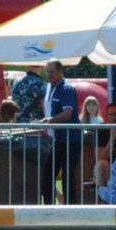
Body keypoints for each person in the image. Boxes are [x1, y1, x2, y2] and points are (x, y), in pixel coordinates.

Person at [40, 60, 80, 204]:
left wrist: (49, 120)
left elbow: (67, 113)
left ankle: (71, 209)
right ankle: (50, 209)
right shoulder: (51, 87)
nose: (48, 74)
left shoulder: (67, 89)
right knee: (48, 176)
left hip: (71, 139)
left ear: (60, 71)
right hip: (59, 139)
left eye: (51, 71)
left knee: (67, 177)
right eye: (47, 71)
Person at [94, 102, 116, 190]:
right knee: (102, 164)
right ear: (107, 116)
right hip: (107, 166)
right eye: (113, 114)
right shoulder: (101, 130)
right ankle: (104, 199)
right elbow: (101, 157)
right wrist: (113, 136)